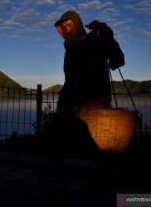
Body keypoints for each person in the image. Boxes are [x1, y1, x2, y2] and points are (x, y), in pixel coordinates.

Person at [51, 10, 125, 162]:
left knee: (101, 149)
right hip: (74, 106)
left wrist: (105, 31)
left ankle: (104, 180)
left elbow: (118, 59)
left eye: (69, 26)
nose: (66, 30)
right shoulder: (69, 51)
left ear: (77, 25)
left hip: (97, 104)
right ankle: (57, 176)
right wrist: (64, 100)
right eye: (63, 28)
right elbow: (69, 79)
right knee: (62, 140)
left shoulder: (95, 41)